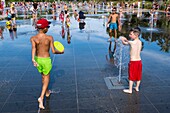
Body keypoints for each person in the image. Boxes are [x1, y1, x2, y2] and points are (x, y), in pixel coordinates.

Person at [30, 18, 64, 109]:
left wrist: (33, 59)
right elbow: (53, 51)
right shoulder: (49, 38)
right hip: (46, 60)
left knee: (43, 76)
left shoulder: (33, 38)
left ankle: (47, 91)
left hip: (37, 59)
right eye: (48, 27)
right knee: (47, 77)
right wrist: (61, 52)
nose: (48, 28)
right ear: (45, 29)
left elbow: (33, 49)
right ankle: (41, 97)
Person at [120, 27, 142, 94]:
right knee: (138, 75)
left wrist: (122, 38)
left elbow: (124, 43)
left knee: (131, 76)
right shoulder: (140, 42)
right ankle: (137, 88)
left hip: (133, 62)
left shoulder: (132, 42)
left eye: (131, 34)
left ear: (136, 35)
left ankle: (130, 90)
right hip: (139, 61)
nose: (129, 35)